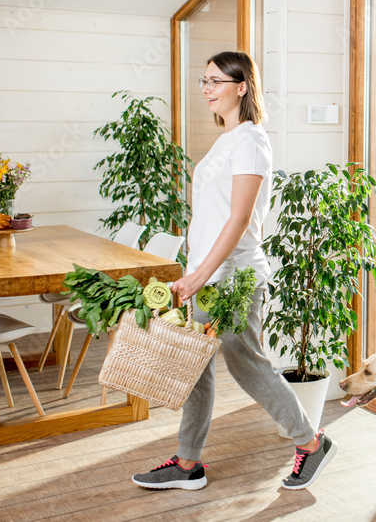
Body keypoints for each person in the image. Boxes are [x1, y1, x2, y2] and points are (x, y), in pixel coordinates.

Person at [132, 51, 337, 491]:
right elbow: (222, 214)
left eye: (215, 81)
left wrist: (199, 275)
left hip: (233, 277)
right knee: (195, 367)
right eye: (203, 80)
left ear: (241, 86)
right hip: (210, 274)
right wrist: (198, 270)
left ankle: (311, 442)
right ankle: (187, 465)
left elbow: (241, 220)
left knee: (247, 364)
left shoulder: (250, 140)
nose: (206, 88)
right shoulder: (228, 139)